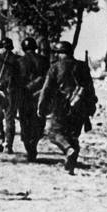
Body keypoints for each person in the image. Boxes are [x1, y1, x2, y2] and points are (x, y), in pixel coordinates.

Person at [38, 40, 97, 174]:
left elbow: (46, 89)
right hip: (80, 106)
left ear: (59, 53)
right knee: (73, 135)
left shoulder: (55, 67)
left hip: (61, 105)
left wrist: (41, 106)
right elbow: (90, 88)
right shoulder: (82, 66)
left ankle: (68, 150)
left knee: (54, 133)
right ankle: (70, 165)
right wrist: (91, 106)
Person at [17, 36, 49, 161]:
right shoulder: (44, 60)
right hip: (40, 95)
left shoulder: (19, 61)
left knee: (25, 121)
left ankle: (29, 148)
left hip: (24, 95)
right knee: (39, 121)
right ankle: (34, 144)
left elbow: (15, 80)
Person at [0, 37, 24, 153]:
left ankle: (0, 137)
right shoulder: (18, 59)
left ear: (2, 47)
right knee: (10, 118)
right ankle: (9, 144)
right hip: (12, 92)